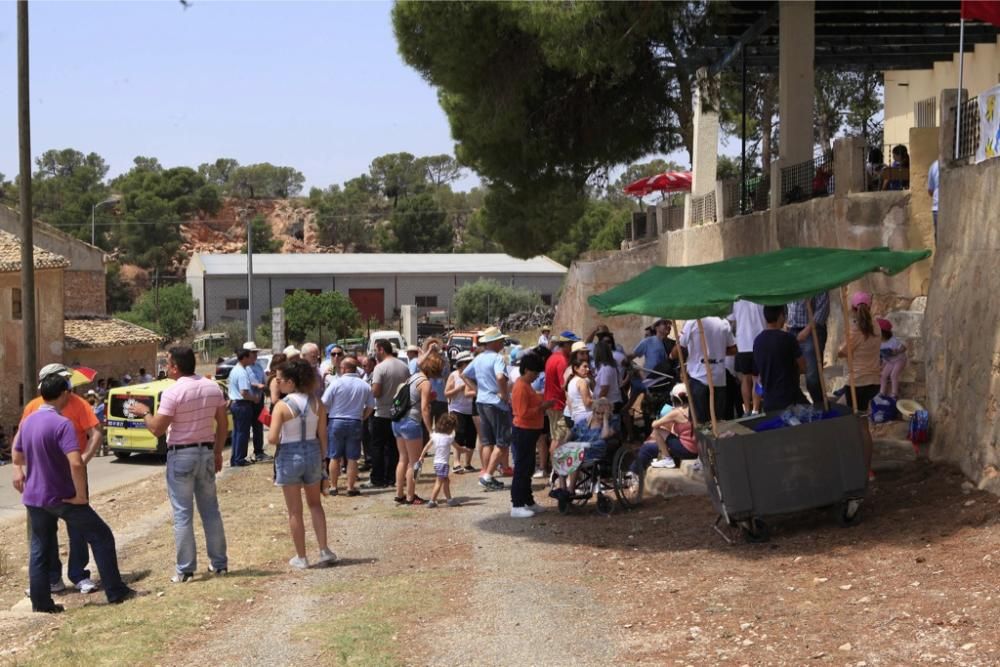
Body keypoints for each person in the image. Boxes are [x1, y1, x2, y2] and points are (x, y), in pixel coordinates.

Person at [14, 373, 138, 612]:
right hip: (61, 495)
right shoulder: (62, 424)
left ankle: (41, 603)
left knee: (40, 548)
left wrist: (22, 471)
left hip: (34, 497)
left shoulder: (29, 421)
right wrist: (80, 496)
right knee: (101, 536)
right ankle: (116, 590)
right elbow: (76, 463)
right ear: (63, 394)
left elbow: (17, 456)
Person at [130, 346, 229, 582]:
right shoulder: (212, 387)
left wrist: (144, 412)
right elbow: (222, 424)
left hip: (181, 454)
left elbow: (156, 429)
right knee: (211, 511)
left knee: (183, 514)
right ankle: (220, 563)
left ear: (174, 367)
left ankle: (185, 569)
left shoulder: (173, 393)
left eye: (167, 363)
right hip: (205, 451)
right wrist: (217, 453)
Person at [13, 364, 102, 595]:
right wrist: (17, 468)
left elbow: (96, 432)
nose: (68, 385)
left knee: (78, 527)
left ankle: (79, 575)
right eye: (64, 380)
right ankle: (52, 579)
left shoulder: (78, 403)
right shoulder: (34, 407)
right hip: (42, 476)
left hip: (72, 474)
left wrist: (83, 459)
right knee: (44, 533)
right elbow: (20, 439)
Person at [267, 359, 337, 569]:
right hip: (313, 452)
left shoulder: (282, 406)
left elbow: (271, 438)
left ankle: (302, 556)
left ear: (290, 382)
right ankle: (324, 550)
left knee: (295, 511)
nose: (277, 383)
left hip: (290, 454)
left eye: (279, 380)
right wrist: (324, 458)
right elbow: (322, 434)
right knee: (315, 504)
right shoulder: (318, 403)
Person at [463, 327, 512, 491]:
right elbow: (500, 377)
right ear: (495, 342)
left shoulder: (479, 358)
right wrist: (504, 394)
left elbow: (464, 374)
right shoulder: (497, 358)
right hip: (495, 403)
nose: (503, 343)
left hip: (482, 402)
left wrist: (477, 390)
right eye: (501, 341)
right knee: (502, 441)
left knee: (487, 441)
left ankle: (485, 472)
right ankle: (488, 475)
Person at [838, 291, 879, 479]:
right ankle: (866, 467)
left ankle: (857, 467)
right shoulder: (877, 326)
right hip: (873, 381)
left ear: (853, 309)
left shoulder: (855, 331)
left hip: (858, 382)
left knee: (856, 426)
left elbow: (842, 352)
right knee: (863, 425)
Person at [321, 357, 374, 496]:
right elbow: (371, 406)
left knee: (334, 456)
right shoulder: (364, 385)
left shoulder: (336, 383)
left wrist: (330, 411)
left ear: (343, 369)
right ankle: (350, 487)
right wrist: (363, 416)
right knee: (353, 457)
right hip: (355, 421)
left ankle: (333, 486)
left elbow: (324, 402)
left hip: (336, 420)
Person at [510, 352, 551, 518]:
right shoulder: (520, 387)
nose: (535, 377)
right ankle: (517, 504)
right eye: (534, 373)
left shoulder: (526, 386)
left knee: (527, 468)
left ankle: (528, 501)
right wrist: (542, 407)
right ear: (526, 370)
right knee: (521, 468)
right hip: (524, 430)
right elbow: (522, 412)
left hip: (530, 430)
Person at [676, 317, 737, 425]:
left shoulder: (692, 321)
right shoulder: (723, 322)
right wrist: (717, 352)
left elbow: (679, 348)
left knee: (699, 423)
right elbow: (733, 349)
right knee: (718, 422)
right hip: (719, 378)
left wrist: (671, 355)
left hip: (699, 378)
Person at [394, 354, 436, 505]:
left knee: (402, 459)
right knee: (414, 462)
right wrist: (430, 430)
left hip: (398, 421)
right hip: (411, 422)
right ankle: (411, 496)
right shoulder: (425, 383)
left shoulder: (413, 377)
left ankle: (399, 494)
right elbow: (424, 409)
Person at [367, 340, 410, 489]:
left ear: (381, 349)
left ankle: (377, 478)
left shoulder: (380, 368)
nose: (374, 353)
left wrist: (370, 390)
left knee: (377, 446)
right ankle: (392, 477)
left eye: (375, 350)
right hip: (399, 413)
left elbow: (377, 391)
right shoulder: (404, 367)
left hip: (382, 412)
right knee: (394, 448)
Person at [752, 305, 807, 412]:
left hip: (769, 403)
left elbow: (758, 379)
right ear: (781, 316)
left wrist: (755, 408)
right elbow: (803, 367)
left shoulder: (757, 342)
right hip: (791, 400)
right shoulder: (789, 339)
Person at [785, 292, 830, 406]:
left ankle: (821, 407)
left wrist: (808, 330)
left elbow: (823, 309)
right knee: (791, 375)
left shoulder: (816, 280)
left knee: (812, 378)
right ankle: (802, 408)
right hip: (792, 329)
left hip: (811, 330)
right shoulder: (790, 281)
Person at [227, 348, 264, 467]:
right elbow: (244, 392)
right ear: (244, 358)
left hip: (236, 404)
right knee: (243, 433)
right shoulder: (242, 372)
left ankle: (235, 458)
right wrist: (254, 399)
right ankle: (240, 459)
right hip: (242, 405)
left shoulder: (234, 370)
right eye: (249, 356)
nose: (251, 359)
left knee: (237, 432)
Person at [647, 384, 698, 469]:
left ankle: (667, 459)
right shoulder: (694, 408)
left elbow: (654, 425)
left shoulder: (677, 412)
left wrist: (657, 420)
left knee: (657, 430)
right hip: (697, 450)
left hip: (687, 450)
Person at [730, 299, 767, 415]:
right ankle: (755, 409)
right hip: (760, 341)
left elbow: (731, 319)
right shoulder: (762, 295)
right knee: (757, 378)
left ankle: (747, 409)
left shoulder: (736, 299)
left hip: (742, 343)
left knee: (746, 378)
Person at [420, 413, 461, 508]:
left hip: (437, 464)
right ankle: (432, 501)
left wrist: (421, 456)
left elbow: (427, 446)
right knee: (439, 482)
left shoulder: (434, 436)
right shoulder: (449, 438)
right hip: (443, 465)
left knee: (446, 481)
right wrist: (465, 450)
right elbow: (458, 448)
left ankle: (449, 499)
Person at [446, 352, 477, 473]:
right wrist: (459, 389)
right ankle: (456, 462)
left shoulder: (473, 375)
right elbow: (446, 393)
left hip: (472, 409)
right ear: (461, 364)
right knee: (459, 434)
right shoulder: (454, 375)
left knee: (471, 435)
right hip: (457, 409)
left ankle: (468, 463)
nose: (470, 364)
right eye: (468, 363)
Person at [543, 334, 572, 452]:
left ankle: (554, 467)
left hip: (551, 402)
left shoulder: (552, 357)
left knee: (555, 436)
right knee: (559, 438)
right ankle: (556, 468)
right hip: (558, 404)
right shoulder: (562, 361)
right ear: (565, 344)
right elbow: (563, 385)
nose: (572, 348)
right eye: (571, 344)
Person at [629, 319, 676, 391]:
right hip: (652, 383)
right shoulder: (647, 341)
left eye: (669, 324)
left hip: (668, 382)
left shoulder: (673, 344)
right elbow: (631, 356)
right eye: (664, 323)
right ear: (656, 327)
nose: (668, 326)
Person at [878, 318, 908, 398]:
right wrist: (882, 365)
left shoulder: (893, 341)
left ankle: (894, 394)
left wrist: (897, 351)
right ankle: (882, 392)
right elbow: (883, 355)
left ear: (882, 333)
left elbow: (904, 347)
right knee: (883, 375)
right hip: (890, 361)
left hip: (899, 360)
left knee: (893, 375)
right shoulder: (879, 342)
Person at [593, 340, 622, 412]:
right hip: (614, 401)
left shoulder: (605, 369)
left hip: (609, 403)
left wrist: (597, 403)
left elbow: (604, 388)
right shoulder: (612, 367)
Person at [565, 359, 594, 425]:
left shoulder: (571, 382)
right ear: (576, 368)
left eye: (588, 367)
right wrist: (600, 401)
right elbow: (587, 402)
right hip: (586, 416)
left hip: (577, 418)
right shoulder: (582, 381)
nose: (588, 369)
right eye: (585, 367)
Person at [927, 159, 939, 241]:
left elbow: (930, 190)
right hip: (952, 207)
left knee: (938, 236)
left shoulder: (934, 165)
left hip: (937, 207)